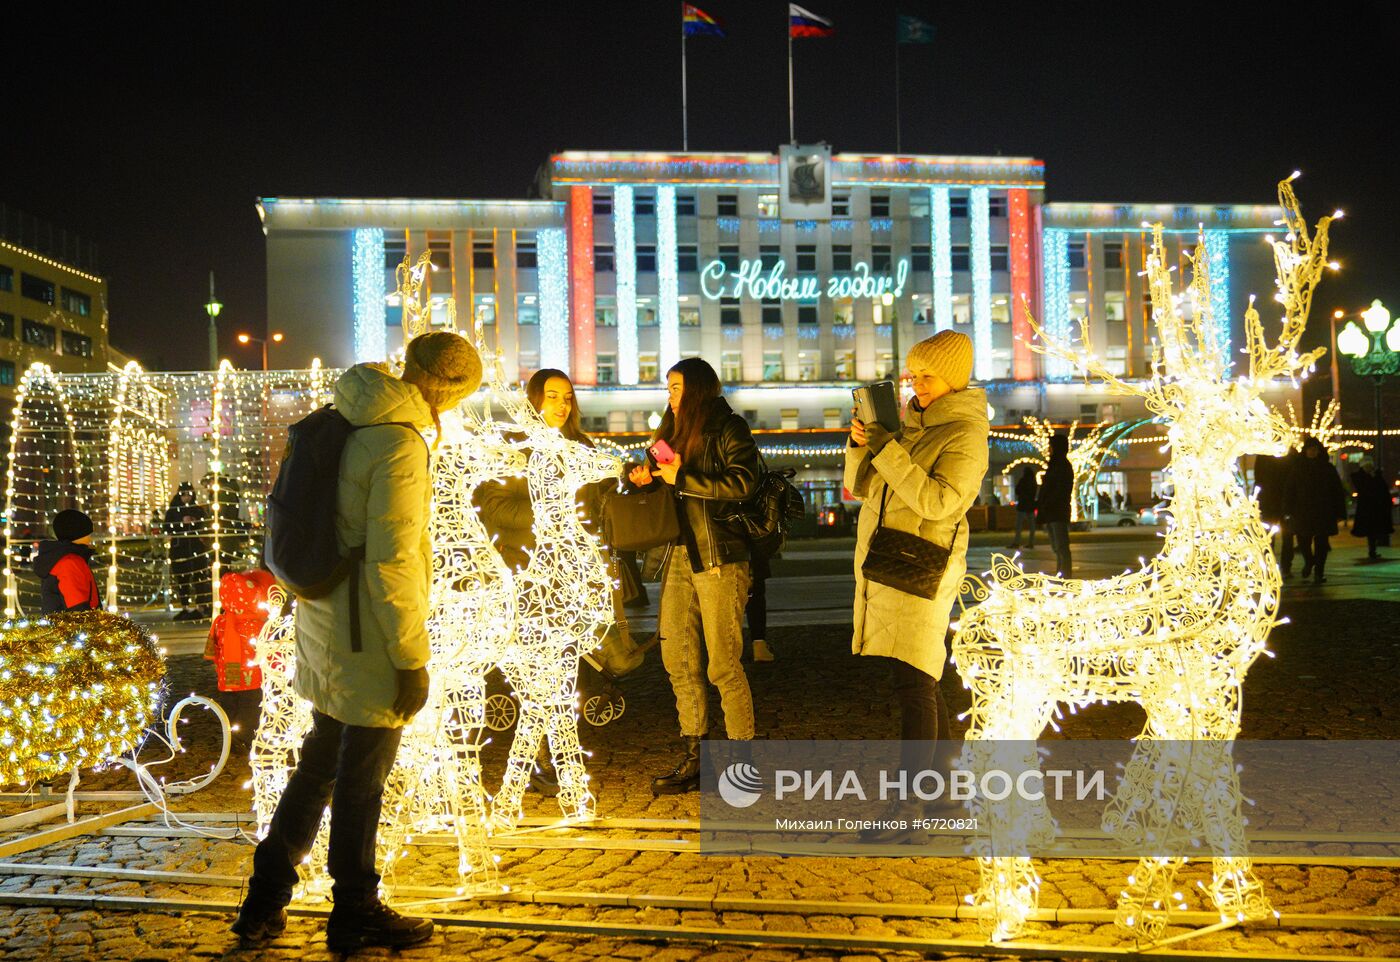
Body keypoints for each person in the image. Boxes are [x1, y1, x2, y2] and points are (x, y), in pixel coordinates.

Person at [233, 331, 481, 952]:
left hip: (326, 619)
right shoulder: (397, 442)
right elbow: (393, 562)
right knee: (361, 777)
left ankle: (264, 898)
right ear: (445, 391)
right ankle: (355, 909)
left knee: (318, 763)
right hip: (368, 633)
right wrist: (411, 658)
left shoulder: (351, 415)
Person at [474, 368, 648, 795]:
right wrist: (552, 516)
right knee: (538, 677)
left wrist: (628, 482)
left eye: (567, 397)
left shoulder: (579, 446)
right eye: (552, 396)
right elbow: (494, 508)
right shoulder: (513, 450)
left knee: (567, 676)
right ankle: (540, 762)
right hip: (527, 577)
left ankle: (553, 761)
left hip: (573, 580)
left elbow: (602, 495)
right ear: (533, 401)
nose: (562, 404)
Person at [847, 330, 988, 843]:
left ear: (952, 379)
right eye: (911, 374)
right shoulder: (912, 425)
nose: (914, 383)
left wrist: (889, 450)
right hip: (893, 560)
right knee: (922, 680)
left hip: (923, 567)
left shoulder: (965, 435)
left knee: (915, 684)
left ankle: (909, 804)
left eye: (925, 375)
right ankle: (945, 794)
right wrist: (863, 445)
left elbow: (939, 503)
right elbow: (861, 488)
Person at [628, 357, 759, 795]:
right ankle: (696, 755)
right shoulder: (670, 431)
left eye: (678, 386)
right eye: (668, 387)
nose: (671, 395)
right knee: (677, 657)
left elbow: (743, 483)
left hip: (719, 554)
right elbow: (671, 486)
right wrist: (647, 479)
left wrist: (682, 475)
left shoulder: (728, 427)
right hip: (679, 554)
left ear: (699, 388)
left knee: (723, 661)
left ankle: (743, 764)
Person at [205, 568, 277, 749]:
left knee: (230, 705)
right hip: (252, 676)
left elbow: (212, 648)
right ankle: (245, 737)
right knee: (251, 706)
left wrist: (217, 663)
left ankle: (231, 736)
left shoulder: (220, 621)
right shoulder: (260, 624)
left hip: (228, 673)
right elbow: (270, 650)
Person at [1282, 435, 1348, 585]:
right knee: (1303, 542)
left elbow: (1337, 491)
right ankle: (1309, 561)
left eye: (1315, 449)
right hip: (1302, 512)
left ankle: (1319, 572)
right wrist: (1287, 509)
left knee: (1322, 545)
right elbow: (1289, 490)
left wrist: (1339, 512)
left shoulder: (1327, 469)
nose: (1312, 452)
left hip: (1322, 512)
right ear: (1305, 451)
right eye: (1310, 449)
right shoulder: (1298, 468)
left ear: (1319, 451)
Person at [33, 509, 101, 613]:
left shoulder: (62, 558)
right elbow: (77, 607)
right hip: (71, 627)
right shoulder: (70, 562)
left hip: (61, 624)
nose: (90, 539)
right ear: (77, 534)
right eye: (88, 534)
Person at [165, 482, 210, 619]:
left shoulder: (197, 509)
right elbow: (166, 528)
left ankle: (200, 607)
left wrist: (195, 522)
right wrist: (180, 523)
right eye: (184, 495)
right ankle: (185, 606)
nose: (187, 498)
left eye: (189, 494)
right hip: (180, 549)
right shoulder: (172, 511)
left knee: (199, 578)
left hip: (196, 549)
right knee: (182, 580)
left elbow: (204, 524)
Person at [1037, 433, 1074, 577]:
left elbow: (1059, 489)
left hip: (1057, 510)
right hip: (1053, 511)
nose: (1048, 449)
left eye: (1051, 446)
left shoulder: (1061, 465)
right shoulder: (1055, 464)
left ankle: (1065, 576)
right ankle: (1062, 574)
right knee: (1057, 547)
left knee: (1061, 547)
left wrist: (1047, 502)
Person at [1254, 451, 1294, 575]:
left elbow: (1259, 478)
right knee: (1283, 536)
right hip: (1277, 501)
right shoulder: (1289, 455)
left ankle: (1272, 566)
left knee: (1275, 537)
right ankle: (1281, 567)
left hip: (1274, 501)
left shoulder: (1264, 455)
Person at [1350, 456, 1393, 562]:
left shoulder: (1376, 476)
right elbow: (1364, 488)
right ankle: (1372, 550)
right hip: (1367, 508)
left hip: (1376, 508)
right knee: (1371, 531)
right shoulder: (1360, 477)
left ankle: (1373, 550)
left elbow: (1383, 489)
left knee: (1374, 530)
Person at [746, 544, 775, 662]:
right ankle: (759, 645)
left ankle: (727, 650)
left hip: (725, 551)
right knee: (756, 599)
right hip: (752, 553)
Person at [1008, 464, 1038, 549]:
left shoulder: (1023, 480)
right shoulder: (1033, 482)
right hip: (1030, 505)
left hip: (1022, 505)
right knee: (1032, 526)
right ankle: (1031, 542)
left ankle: (1016, 542)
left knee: (1019, 525)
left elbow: (1017, 491)